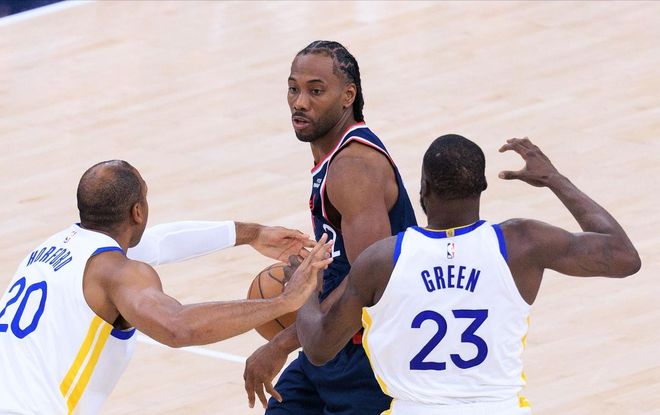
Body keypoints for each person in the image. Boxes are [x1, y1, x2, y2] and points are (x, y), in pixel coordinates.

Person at [297, 136, 641, 415]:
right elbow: (624, 256)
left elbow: (319, 349)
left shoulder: (382, 259)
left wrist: (304, 287)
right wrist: (553, 179)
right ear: (483, 186)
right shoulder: (523, 243)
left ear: (423, 188)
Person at [0, 160, 333, 415]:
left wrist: (253, 234)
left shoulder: (53, 249)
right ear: (138, 211)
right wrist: (284, 302)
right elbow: (178, 326)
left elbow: (163, 241)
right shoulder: (117, 272)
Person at [243, 40, 417, 413]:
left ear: (347, 96)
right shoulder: (335, 158)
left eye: (316, 91)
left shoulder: (353, 167)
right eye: (293, 89)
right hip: (333, 345)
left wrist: (282, 342)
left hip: (367, 356)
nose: (299, 102)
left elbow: (370, 279)